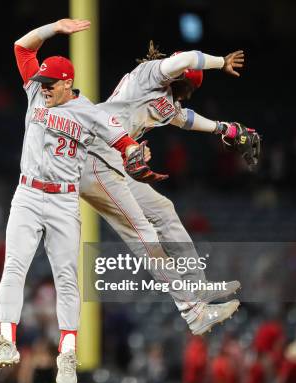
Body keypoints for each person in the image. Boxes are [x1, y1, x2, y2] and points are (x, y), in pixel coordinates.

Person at [0, 18, 141, 383]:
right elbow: (21, 47)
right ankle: (6, 339)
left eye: (49, 84)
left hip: (62, 199)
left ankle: (68, 351)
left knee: (66, 278)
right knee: (14, 265)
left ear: (66, 83)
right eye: (40, 82)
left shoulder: (90, 112)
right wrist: (55, 28)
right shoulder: (34, 92)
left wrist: (137, 151)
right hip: (28, 193)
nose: (41, 88)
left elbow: (124, 141)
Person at [81, 42, 256, 335]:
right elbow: (187, 58)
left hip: (112, 162)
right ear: (184, 80)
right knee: (144, 235)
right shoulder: (151, 74)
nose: (187, 94)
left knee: (164, 211)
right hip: (91, 158)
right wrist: (220, 62)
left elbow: (184, 118)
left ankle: (196, 287)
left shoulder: (166, 99)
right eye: (188, 86)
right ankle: (194, 311)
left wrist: (224, 129)